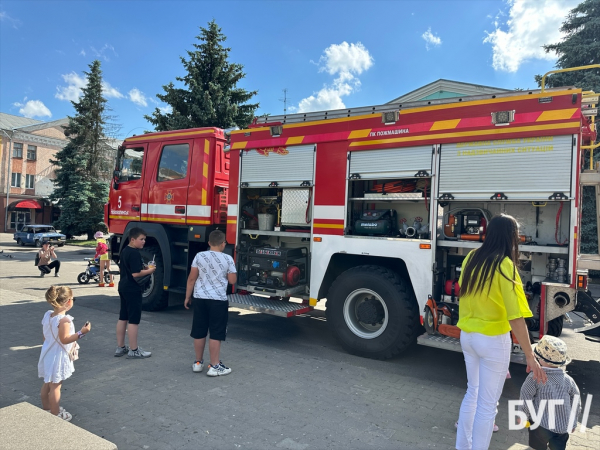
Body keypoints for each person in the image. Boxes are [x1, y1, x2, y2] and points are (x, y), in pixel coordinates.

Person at [455, 214, 547, 450]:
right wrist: (530, 355)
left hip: (468, 336)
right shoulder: (505, 265)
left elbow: (461, 293)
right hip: (493, 340)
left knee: (472, 394)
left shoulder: (471, 258)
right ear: (511, 237)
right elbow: (515, 317)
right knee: (487, 406)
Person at [184, 229, 236, 377]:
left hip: (200, 298)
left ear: (208, 243)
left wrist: (188, 297)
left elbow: (192, 278)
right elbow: (232, 281)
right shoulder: (227, 259)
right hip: (218, 300)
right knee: (216, 333)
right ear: (223, 243)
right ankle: (214, 365)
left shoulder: (199, 256)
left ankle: (198, 363)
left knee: (199, 331)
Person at [519, 335, 581, 450]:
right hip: (562, 427)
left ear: (539, 358)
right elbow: (576, 401)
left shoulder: (534, 377)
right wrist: (573, 422)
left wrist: (523, 415)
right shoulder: (568, 380)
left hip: (540, 425)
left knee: (537, 447)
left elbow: (526, 397)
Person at [38, 285, 91, 421]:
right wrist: (81, 333)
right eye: (73, 299)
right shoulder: (65, 320)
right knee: (56, 386)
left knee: (47, 383)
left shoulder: (48, 315)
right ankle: (56, 415)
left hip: (47, 352)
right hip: (58, 356)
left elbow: (45, 336)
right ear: (68, 301)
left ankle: (46, 408)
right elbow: (65, 339)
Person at [115, 227, 155, 359]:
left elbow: (130, 268)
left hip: (123, 287)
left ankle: (120, 347)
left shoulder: (125, 250)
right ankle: (134, 350)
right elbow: (136, 274)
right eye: (141, 239)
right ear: (133, 239)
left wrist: (144, 267)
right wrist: (150, 271)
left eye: (144, 239)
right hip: (133, 289)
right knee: (133, 320)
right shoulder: (135, 253)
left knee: (123, 317)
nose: (143, 242)